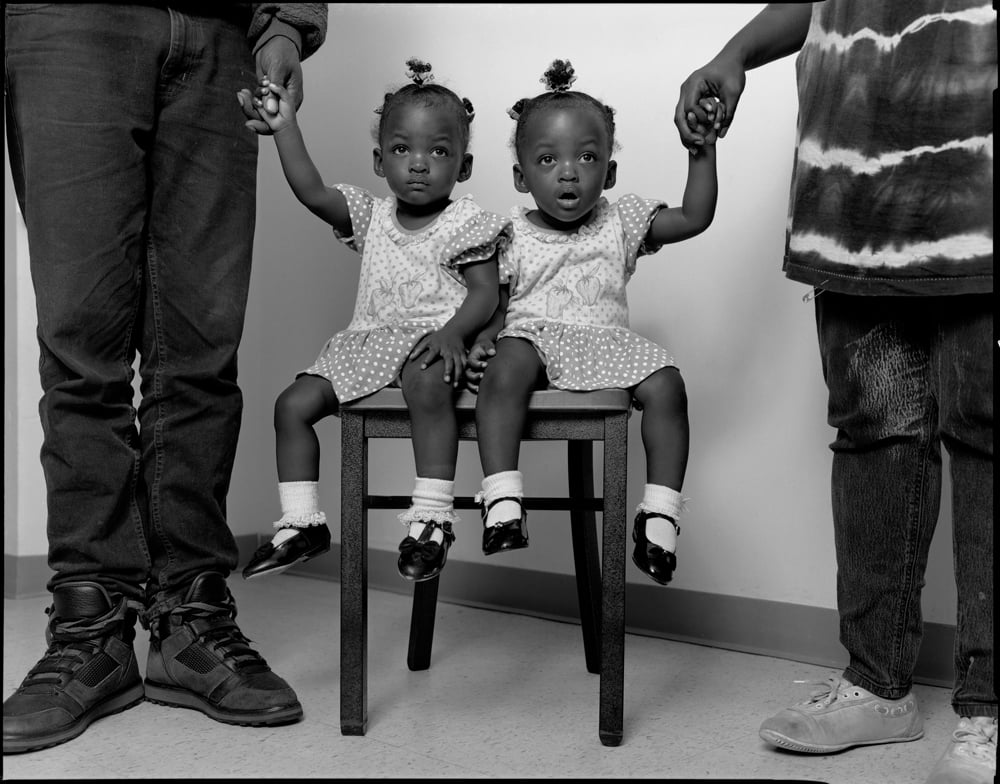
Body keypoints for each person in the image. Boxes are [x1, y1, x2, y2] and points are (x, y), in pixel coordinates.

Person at [674, 3, 995, 782]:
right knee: (873, 437)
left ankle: (989, 706)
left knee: (988, 437)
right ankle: (877, 684)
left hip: (980, 195)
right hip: (850, 195)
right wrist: (736, 53)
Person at [2, 3, 328, 755]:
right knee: (83, 347)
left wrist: (285, 25)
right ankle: (92, 630)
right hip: (66, 22)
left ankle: (193, 621)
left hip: (224, 30)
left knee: (202, 350)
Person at [238, 58, 511, 584]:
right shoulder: (372, 216)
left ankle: (432, 518)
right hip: (366, 345)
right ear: (379, 159)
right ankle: (302, 522)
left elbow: (483, 294)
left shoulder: (467, 223)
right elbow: (312, 192)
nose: (418, 164)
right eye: (402, 149)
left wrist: (452, 332)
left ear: (465, 165)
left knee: (425, 383)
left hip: (429, 345)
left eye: (439, 151)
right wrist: (285, 128)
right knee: (291, 405)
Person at [468, 59, 717, 586]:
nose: (568, 171)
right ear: (521, 176)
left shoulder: (620, 221)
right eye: (547, 159)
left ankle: (659, 515)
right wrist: (486, 339)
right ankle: (504, 500)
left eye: (586, 157)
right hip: (532, 337)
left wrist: (701, 152)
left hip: (606, 343)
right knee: (505, 368)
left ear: (610, 171)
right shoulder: (509, 233)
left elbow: (694, 217)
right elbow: (495, 299)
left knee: (667, 384)